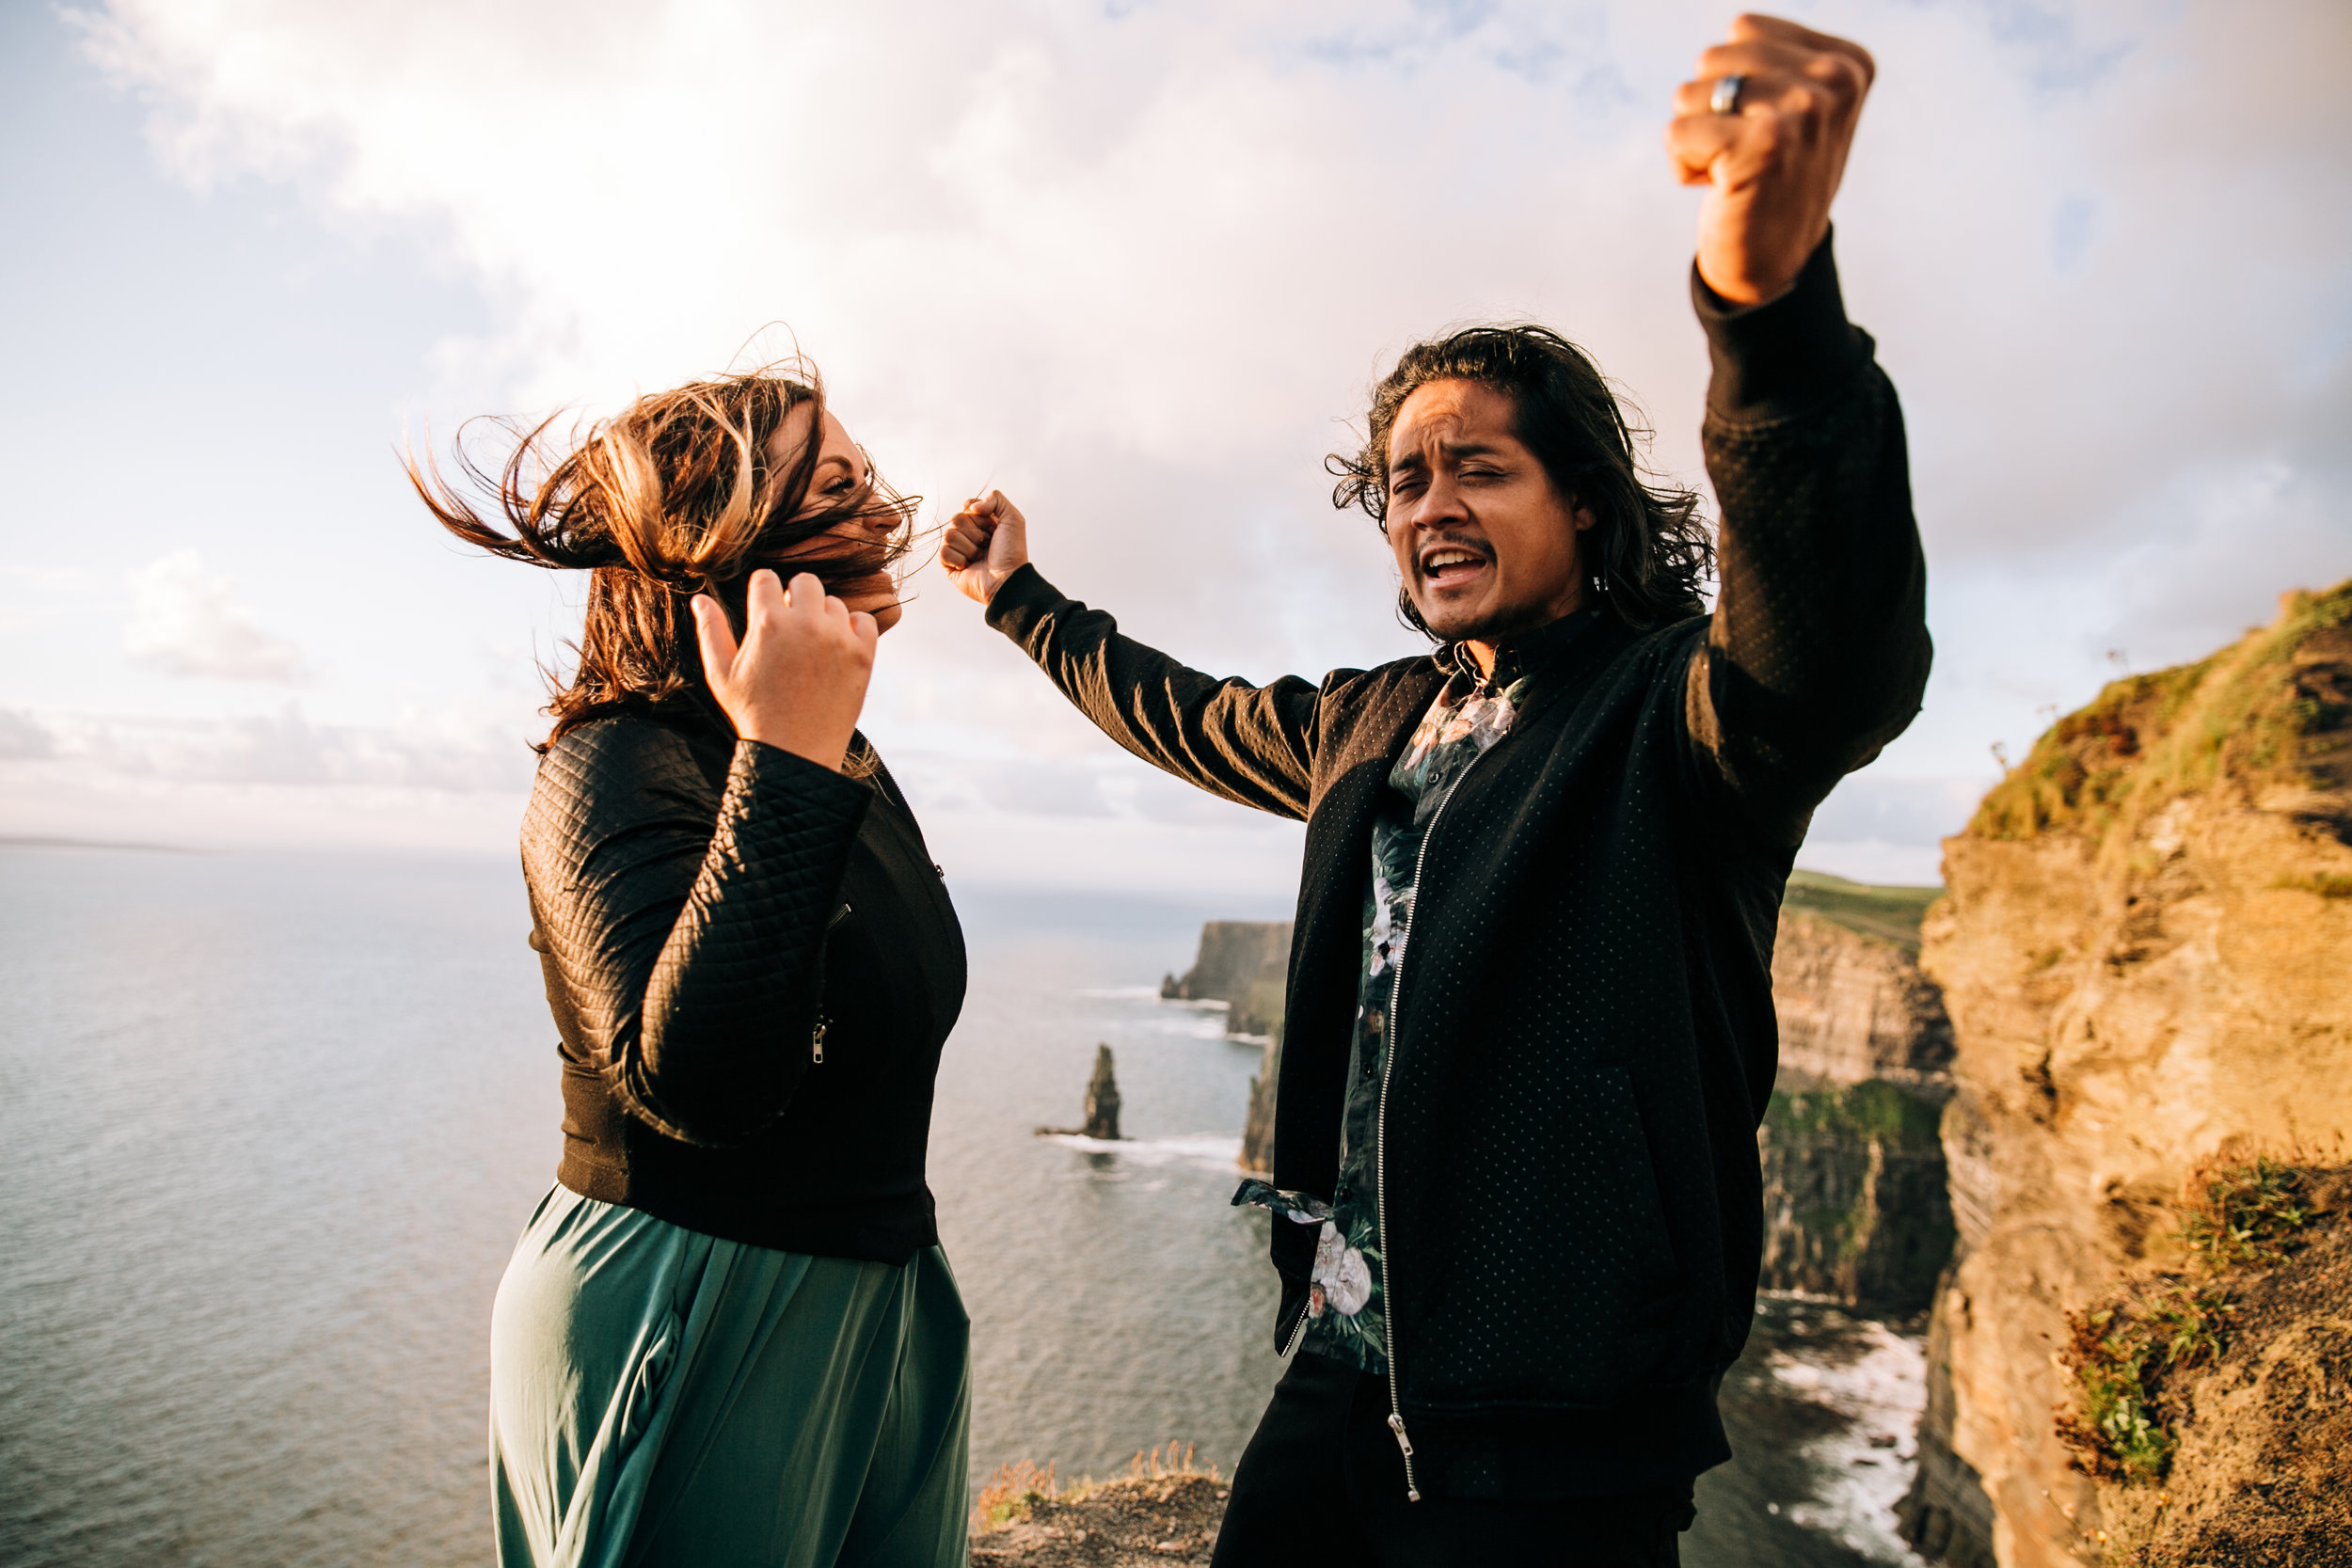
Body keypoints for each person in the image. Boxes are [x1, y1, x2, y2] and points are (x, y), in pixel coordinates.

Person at [939, 15, 1927, 1566]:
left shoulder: (1673, 715)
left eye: (1480, 465)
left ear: (1585, 501)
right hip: (1346, 1361)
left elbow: (1834, 646)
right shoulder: (1376, 719)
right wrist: (1021, 600)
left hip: (1563, 1427)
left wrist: (1769, 314)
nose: (1430, 502)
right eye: (1403, 478)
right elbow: (1182, 712)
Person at [409, 366, 972, 1568]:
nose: (884, 515)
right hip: (682, 1290)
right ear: (720, 533)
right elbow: (702, 1084)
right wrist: (788, 759)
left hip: (880, 1294)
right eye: (836, 484)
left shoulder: (841, 760)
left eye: (872, 480)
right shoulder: (611, 763)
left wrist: (801, 755)